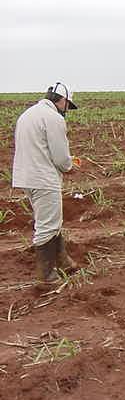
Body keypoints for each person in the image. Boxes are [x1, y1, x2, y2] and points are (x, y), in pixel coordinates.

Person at [12, 82, 79, 289]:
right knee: (47, 225)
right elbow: (60, 157)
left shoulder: (28, 114)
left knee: (51, 220)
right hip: (43, 178)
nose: (67, 110)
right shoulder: (54, 118)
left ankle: (63, 262)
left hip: (27, 177)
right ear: (63, 100)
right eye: (68, 105)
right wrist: (70, 166)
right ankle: (46, 276)